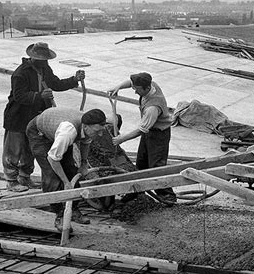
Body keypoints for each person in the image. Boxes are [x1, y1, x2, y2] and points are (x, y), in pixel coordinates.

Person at [3, 42, 85, 192]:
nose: (45, 62)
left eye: (46, 59)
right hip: (18, 117)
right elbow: (19, 96)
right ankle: (11, 180)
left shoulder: (44, 68)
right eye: (42, 59)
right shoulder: (20, 73)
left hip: (36, 117)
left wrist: (74, 79)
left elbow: (56, 83)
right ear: (33, 57)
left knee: (30, 149)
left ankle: (24, 177)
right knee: (14, 150)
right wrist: (39, 96)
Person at [26, 107, 107, 231]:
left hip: (57, 132)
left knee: (71, 170)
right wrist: (65, 182)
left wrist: (84, 163)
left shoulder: (89, 126)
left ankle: (73, 210)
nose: (100, 134)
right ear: (85, 126)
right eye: (97, 131)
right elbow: (53, 159)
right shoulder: (68, 132)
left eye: (101, 131)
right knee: (52, 176)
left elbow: (85, 142)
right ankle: (59, 215)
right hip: (40, 134)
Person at [108, 72, 177, 205]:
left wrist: (121, 139)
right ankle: (136, 192)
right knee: (141, 162)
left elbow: (141, 130)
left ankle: (168, 196)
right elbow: (130, 82)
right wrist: (118, 87)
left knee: (156, 167)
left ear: (145, 88)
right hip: (150, 132)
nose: (135, 92)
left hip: (159, 135)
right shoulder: (150, 85)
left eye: (137, 90)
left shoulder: (153, 107)